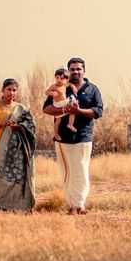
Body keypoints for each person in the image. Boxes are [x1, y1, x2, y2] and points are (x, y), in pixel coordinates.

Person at [42, 58, 103, 215]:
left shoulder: (92, 89)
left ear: (84, 71)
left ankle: (80, 204)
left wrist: (78, 111)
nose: (76, 72)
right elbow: (47, 109)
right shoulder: (60, 87)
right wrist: (64, 111)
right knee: (66, 172)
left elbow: (97, 112)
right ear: (68, 71)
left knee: (81, 169)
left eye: (79, 69)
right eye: (73, 69)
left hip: (83, 136)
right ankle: (71, 205)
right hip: (62, 138)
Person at [0, 78, 36, 214]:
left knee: (17, 175)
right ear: (2, 90)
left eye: (14, 90)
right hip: (1, 146)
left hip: (18, 148)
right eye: (9, 89)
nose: (12, 93)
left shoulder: (21, 108)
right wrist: (2, 123)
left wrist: (18, 126)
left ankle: (18, 206)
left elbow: (30, 126)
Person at [45, 67, 78, 137]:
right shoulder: (54, 86)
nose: (59, 80)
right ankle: (56, 133)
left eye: (62, 78)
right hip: (58, 104)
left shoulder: (65, 85)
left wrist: (74, 88)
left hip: (65, 102)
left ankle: (70, 124)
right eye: (57, 78)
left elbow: (71, 84)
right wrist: (51, 93)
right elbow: (46, 92)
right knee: (58, 120)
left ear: (66, 80)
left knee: (72, 112)